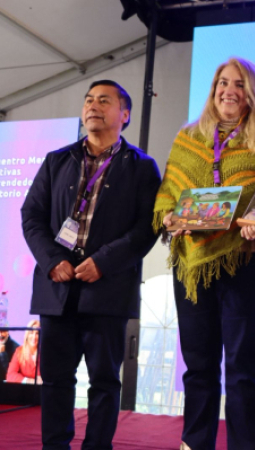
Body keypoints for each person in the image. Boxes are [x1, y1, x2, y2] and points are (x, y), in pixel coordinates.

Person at [153, 57, 255, 450]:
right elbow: (169, 191)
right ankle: (194, 443)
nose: (228, 90)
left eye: (238, 84)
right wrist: (169, 217)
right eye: (222, 82)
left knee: (242, 365)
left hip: (246, 258)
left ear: (252, 93)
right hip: (192, 263)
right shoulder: (189, 138)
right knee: (198, 364)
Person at [21, 80, 161, 449]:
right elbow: (31, 216)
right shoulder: (57, 160)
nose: (93, 106)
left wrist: (104, 261)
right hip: (58, 288)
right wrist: (52, 260)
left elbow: (148, 226)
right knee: (55, 380)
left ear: (124, 114)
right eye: (88, 100)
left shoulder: (142, 167)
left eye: (103, 100)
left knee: (104, 381)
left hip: (108, 289)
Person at [7, 319, 42, 384]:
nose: (34, 337)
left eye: (37, 333)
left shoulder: (45, 352)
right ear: (27, 335)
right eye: (31, 333)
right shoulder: (19, 351)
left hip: (41, 389)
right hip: (25, 388)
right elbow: (10, 375)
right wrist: (29, 381)